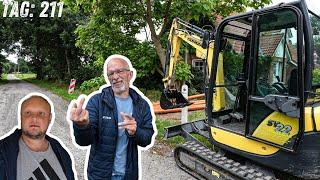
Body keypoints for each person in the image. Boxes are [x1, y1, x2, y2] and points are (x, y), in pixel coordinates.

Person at [69, 54, 155, 180]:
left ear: (130, 75)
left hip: (128, 175)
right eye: (111, 73)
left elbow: (147, 139)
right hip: (100, 175)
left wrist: (135, 132)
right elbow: (83, 141)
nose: (115, 77)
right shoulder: (97, 101)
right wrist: (82, 126)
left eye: (119, 71)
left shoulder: (142, 105)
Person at [0, 93, 75, 180]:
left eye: (41, 113)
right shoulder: (2, 152)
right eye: (28, 113)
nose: (34, 118)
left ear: (50, 118)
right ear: (21, 117)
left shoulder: (62, 153)